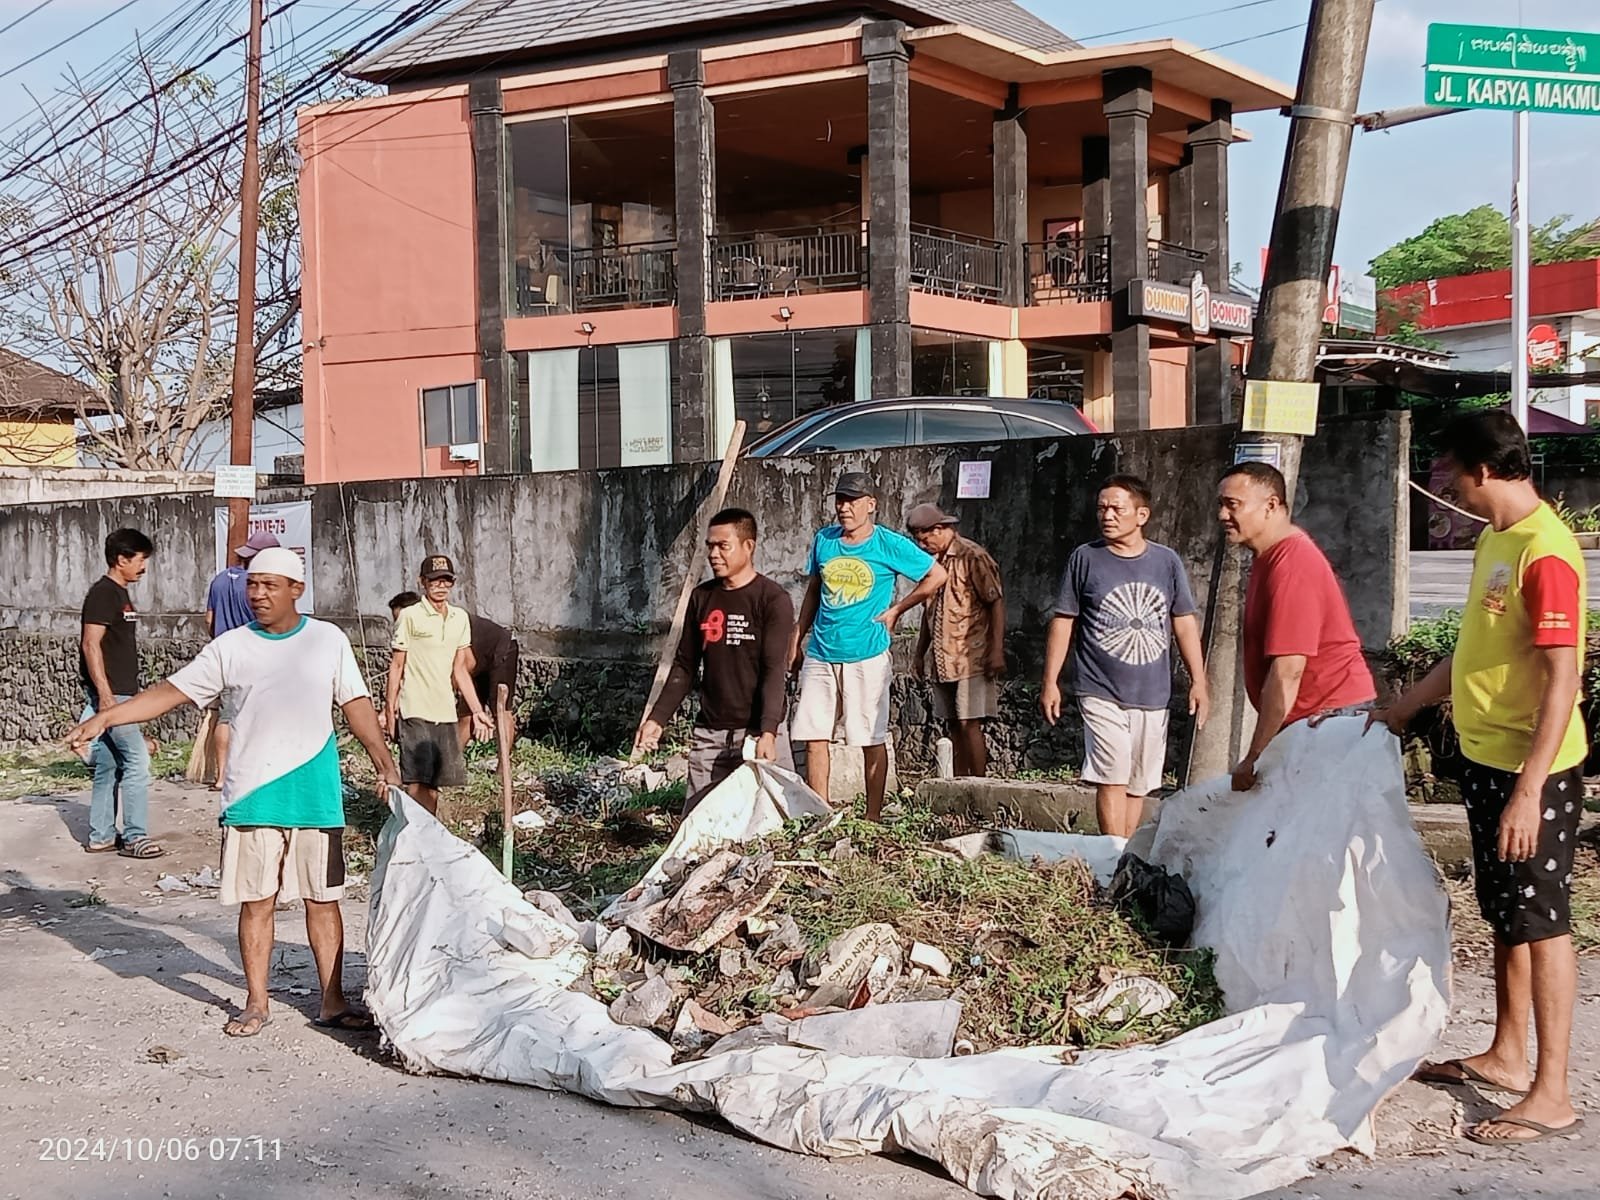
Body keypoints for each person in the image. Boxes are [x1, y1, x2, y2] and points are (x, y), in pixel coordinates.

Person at [66, 547, 401, 1038]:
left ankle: (332, 1001)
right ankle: (256, 1001)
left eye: (269, 585)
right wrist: (107, 715)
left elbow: (355, 703)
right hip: (252, 794)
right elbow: (170, 692)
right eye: (252, 584)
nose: (258, 594)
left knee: (322, 899)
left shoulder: (327, 640)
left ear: (296, 590)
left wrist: (385, 765)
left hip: (315, 791)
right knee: (257, 900)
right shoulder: (231, 646)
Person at [1371, 411, 1586, 1147]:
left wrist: (1531, 789)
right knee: (1504, 914)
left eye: (1449, 474)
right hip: (1487, 756)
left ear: (1484, 472)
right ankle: (1506, 1051)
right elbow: (1473, 646)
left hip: (1535, 770)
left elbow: (1564, 679)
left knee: (1542, 921)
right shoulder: (1496, 539)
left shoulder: (1546, 552)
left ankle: (1551, 1092)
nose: (1446, 487)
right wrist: (1403, 707)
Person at [1040, 476, 1209, 837]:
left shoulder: (1166, 562)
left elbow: (1183, 622)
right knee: (1111, 772)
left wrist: (1199, 681)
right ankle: (1110, 852)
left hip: (1152, 691)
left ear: (1142, 514)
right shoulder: (1085, 558)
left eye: (1117, 508)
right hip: (1099, 687)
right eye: (1102, 508)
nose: (1108, 515)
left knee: (1139, 781)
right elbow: (1064, 621)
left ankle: (1123, 853)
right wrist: (1051, 681)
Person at [790, 472, 947, 820]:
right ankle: (822, 814)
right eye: (840, 500)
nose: (844, 508)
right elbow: (814, 589)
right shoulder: (825, 540)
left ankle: (872, 816)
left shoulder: (886, 543)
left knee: (869, 738)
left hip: (867, 653)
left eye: (853, 501)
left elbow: (936, 576)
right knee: (815, 737)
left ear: (871, 505)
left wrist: (897, 610)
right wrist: (797, 635)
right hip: (821, 650)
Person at [1216, 461, 1375, 792]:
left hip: (1330, 720)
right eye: (1221, 504)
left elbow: (1287, 672)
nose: (1222, 516)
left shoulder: (1292, 565)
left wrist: (1256, 756)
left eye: (1233, 505)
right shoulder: (1269, 556)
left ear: (1271, 505)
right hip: (1311, 719)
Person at [635, 508, 796, 811]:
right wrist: (657, 719)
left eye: (723, 545)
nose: (714, 554)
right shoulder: (701, 598)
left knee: (776, 822)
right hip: (711, 734)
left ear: (748, 547)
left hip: (757, 732)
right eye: (710, 545)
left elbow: (774, 670)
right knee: (700, 822)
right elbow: (684, 665)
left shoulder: (772, 600)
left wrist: (768, 731)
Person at [383, 556, 492, 815]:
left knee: (433, 785)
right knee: (416, 781)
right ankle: (413, 835)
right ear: (423, 583)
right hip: (415, 709)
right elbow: (397, 666)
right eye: (434, 581)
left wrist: (477, 711)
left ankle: (428, 835)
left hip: (444, 711)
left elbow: (460, 669)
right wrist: (389, 710)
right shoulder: (409, 616)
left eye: (446, 580)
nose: (441, 586)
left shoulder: (459, 618)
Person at [79, 527, 163, 858]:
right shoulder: (103, 594)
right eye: (140, 561)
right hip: (115, 696)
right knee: (137, 760)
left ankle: (101, 835)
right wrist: (106, 696)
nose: (143, 567)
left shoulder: (120, 594)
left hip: (123, 692)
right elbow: (90, 643)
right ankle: (135, 836)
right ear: (121, 559)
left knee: (110, 764)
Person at [907, 503, 1006, 777]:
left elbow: (995, 602)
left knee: (969, 722)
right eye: (917, 538)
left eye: (925, 537)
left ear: (941, 530)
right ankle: (960, 783)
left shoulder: (972, 556)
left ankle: (979, 782)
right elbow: (929, 615)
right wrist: (919, 655)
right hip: (941, 658)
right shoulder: (931, 564)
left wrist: (996, 650)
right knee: (952, 723)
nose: (921, 544)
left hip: (970, 655)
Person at [205, 531, 281, 787]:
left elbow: (209, 620)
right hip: (255, 655)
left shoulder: (219, 580)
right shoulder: (257, 586)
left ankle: (220, 775)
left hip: (224, 659)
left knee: (225, 716)